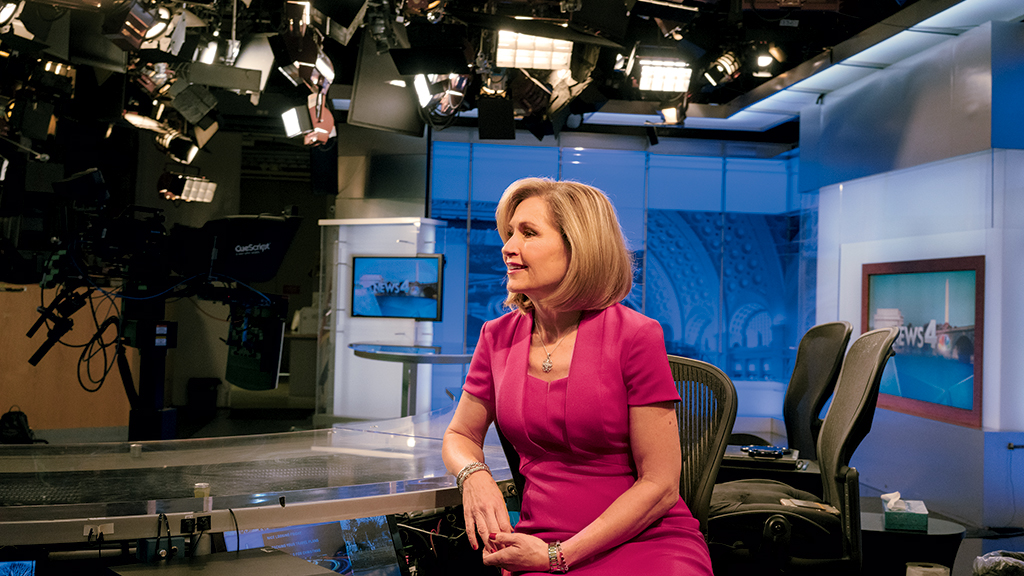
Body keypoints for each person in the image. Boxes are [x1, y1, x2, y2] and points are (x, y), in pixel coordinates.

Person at [441, 178, 713, 575]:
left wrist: (558, 556)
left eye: (528, 233)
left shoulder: (636, 336)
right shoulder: (496, 337)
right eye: (510, 233)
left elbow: (661, 485)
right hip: (539, 538)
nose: (508, 247)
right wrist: (473, 474)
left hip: (643, 539)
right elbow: (460, 435)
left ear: (578, 247)